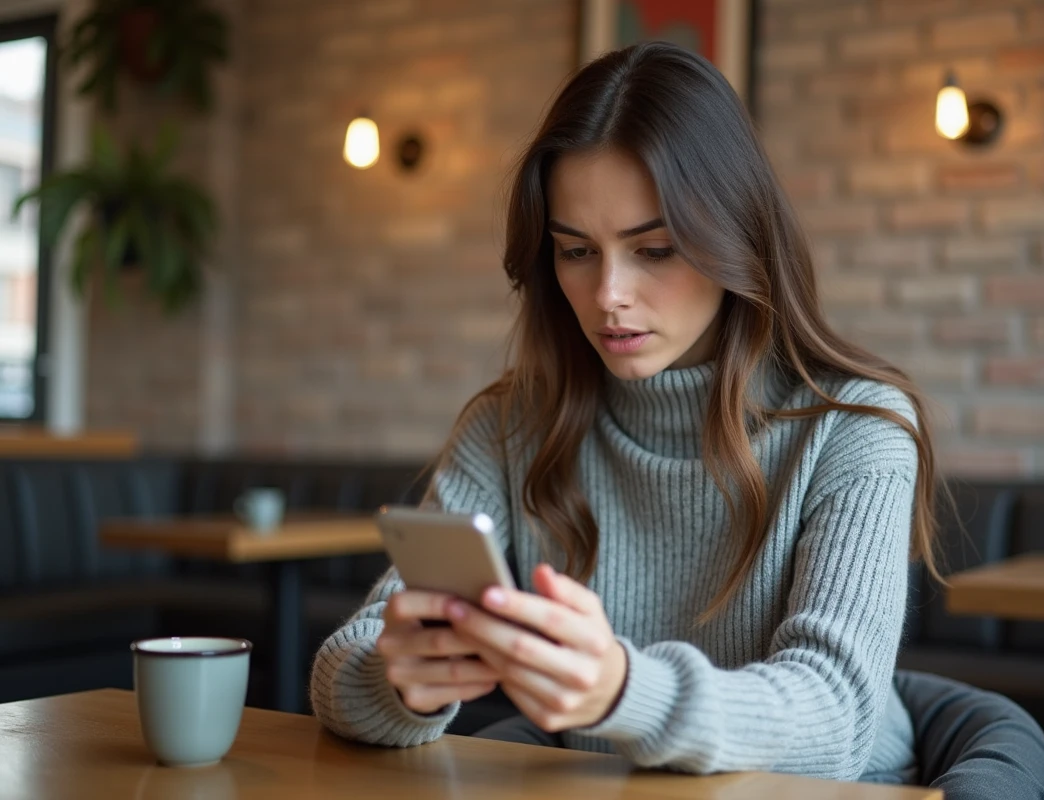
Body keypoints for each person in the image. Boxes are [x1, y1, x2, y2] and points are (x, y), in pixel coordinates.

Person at [310, 41, 942, 783]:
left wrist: (622, 689)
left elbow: (835, 719)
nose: (609, 293)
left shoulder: (856, 427)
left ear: (734, 239)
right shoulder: (514, 424)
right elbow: (345, 663)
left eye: (656, 249)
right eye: (576, 251)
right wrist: (397, 680)